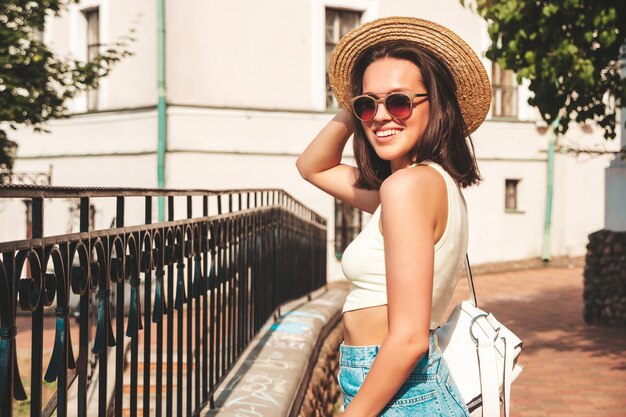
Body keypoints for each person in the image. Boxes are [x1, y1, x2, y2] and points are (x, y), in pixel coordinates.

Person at [296, 16, 491, 417]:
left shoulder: (408, 189)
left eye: (399, 101)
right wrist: (357, 106)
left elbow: (408, 338)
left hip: (400, 394)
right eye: (368, 104)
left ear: (435, 106)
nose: (382, 116)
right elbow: (312, 166)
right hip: (400, 388)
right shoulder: (422, 184)